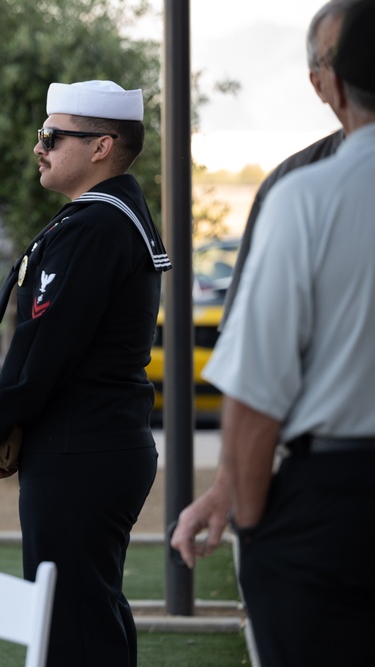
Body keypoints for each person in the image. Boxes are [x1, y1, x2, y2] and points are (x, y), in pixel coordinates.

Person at [179, 2, 375, 664]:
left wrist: (256, 527)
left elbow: (256, 396)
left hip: (337, 505)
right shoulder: (298, 186)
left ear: (335, 84)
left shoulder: (307, 196)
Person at [0, 80, 170, 667]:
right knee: (89, 614)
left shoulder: (95, 226)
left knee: (70, 627)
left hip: (80, 447)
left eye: (53, 136)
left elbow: (44, 348)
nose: (41, 147)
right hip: (96, 442)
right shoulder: (108, 217)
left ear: (102, 146)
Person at [220, 0, 358, 329]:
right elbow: (247, 333)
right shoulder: (287, 186)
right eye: (343, 56)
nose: (361, 66)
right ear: (319, 83)